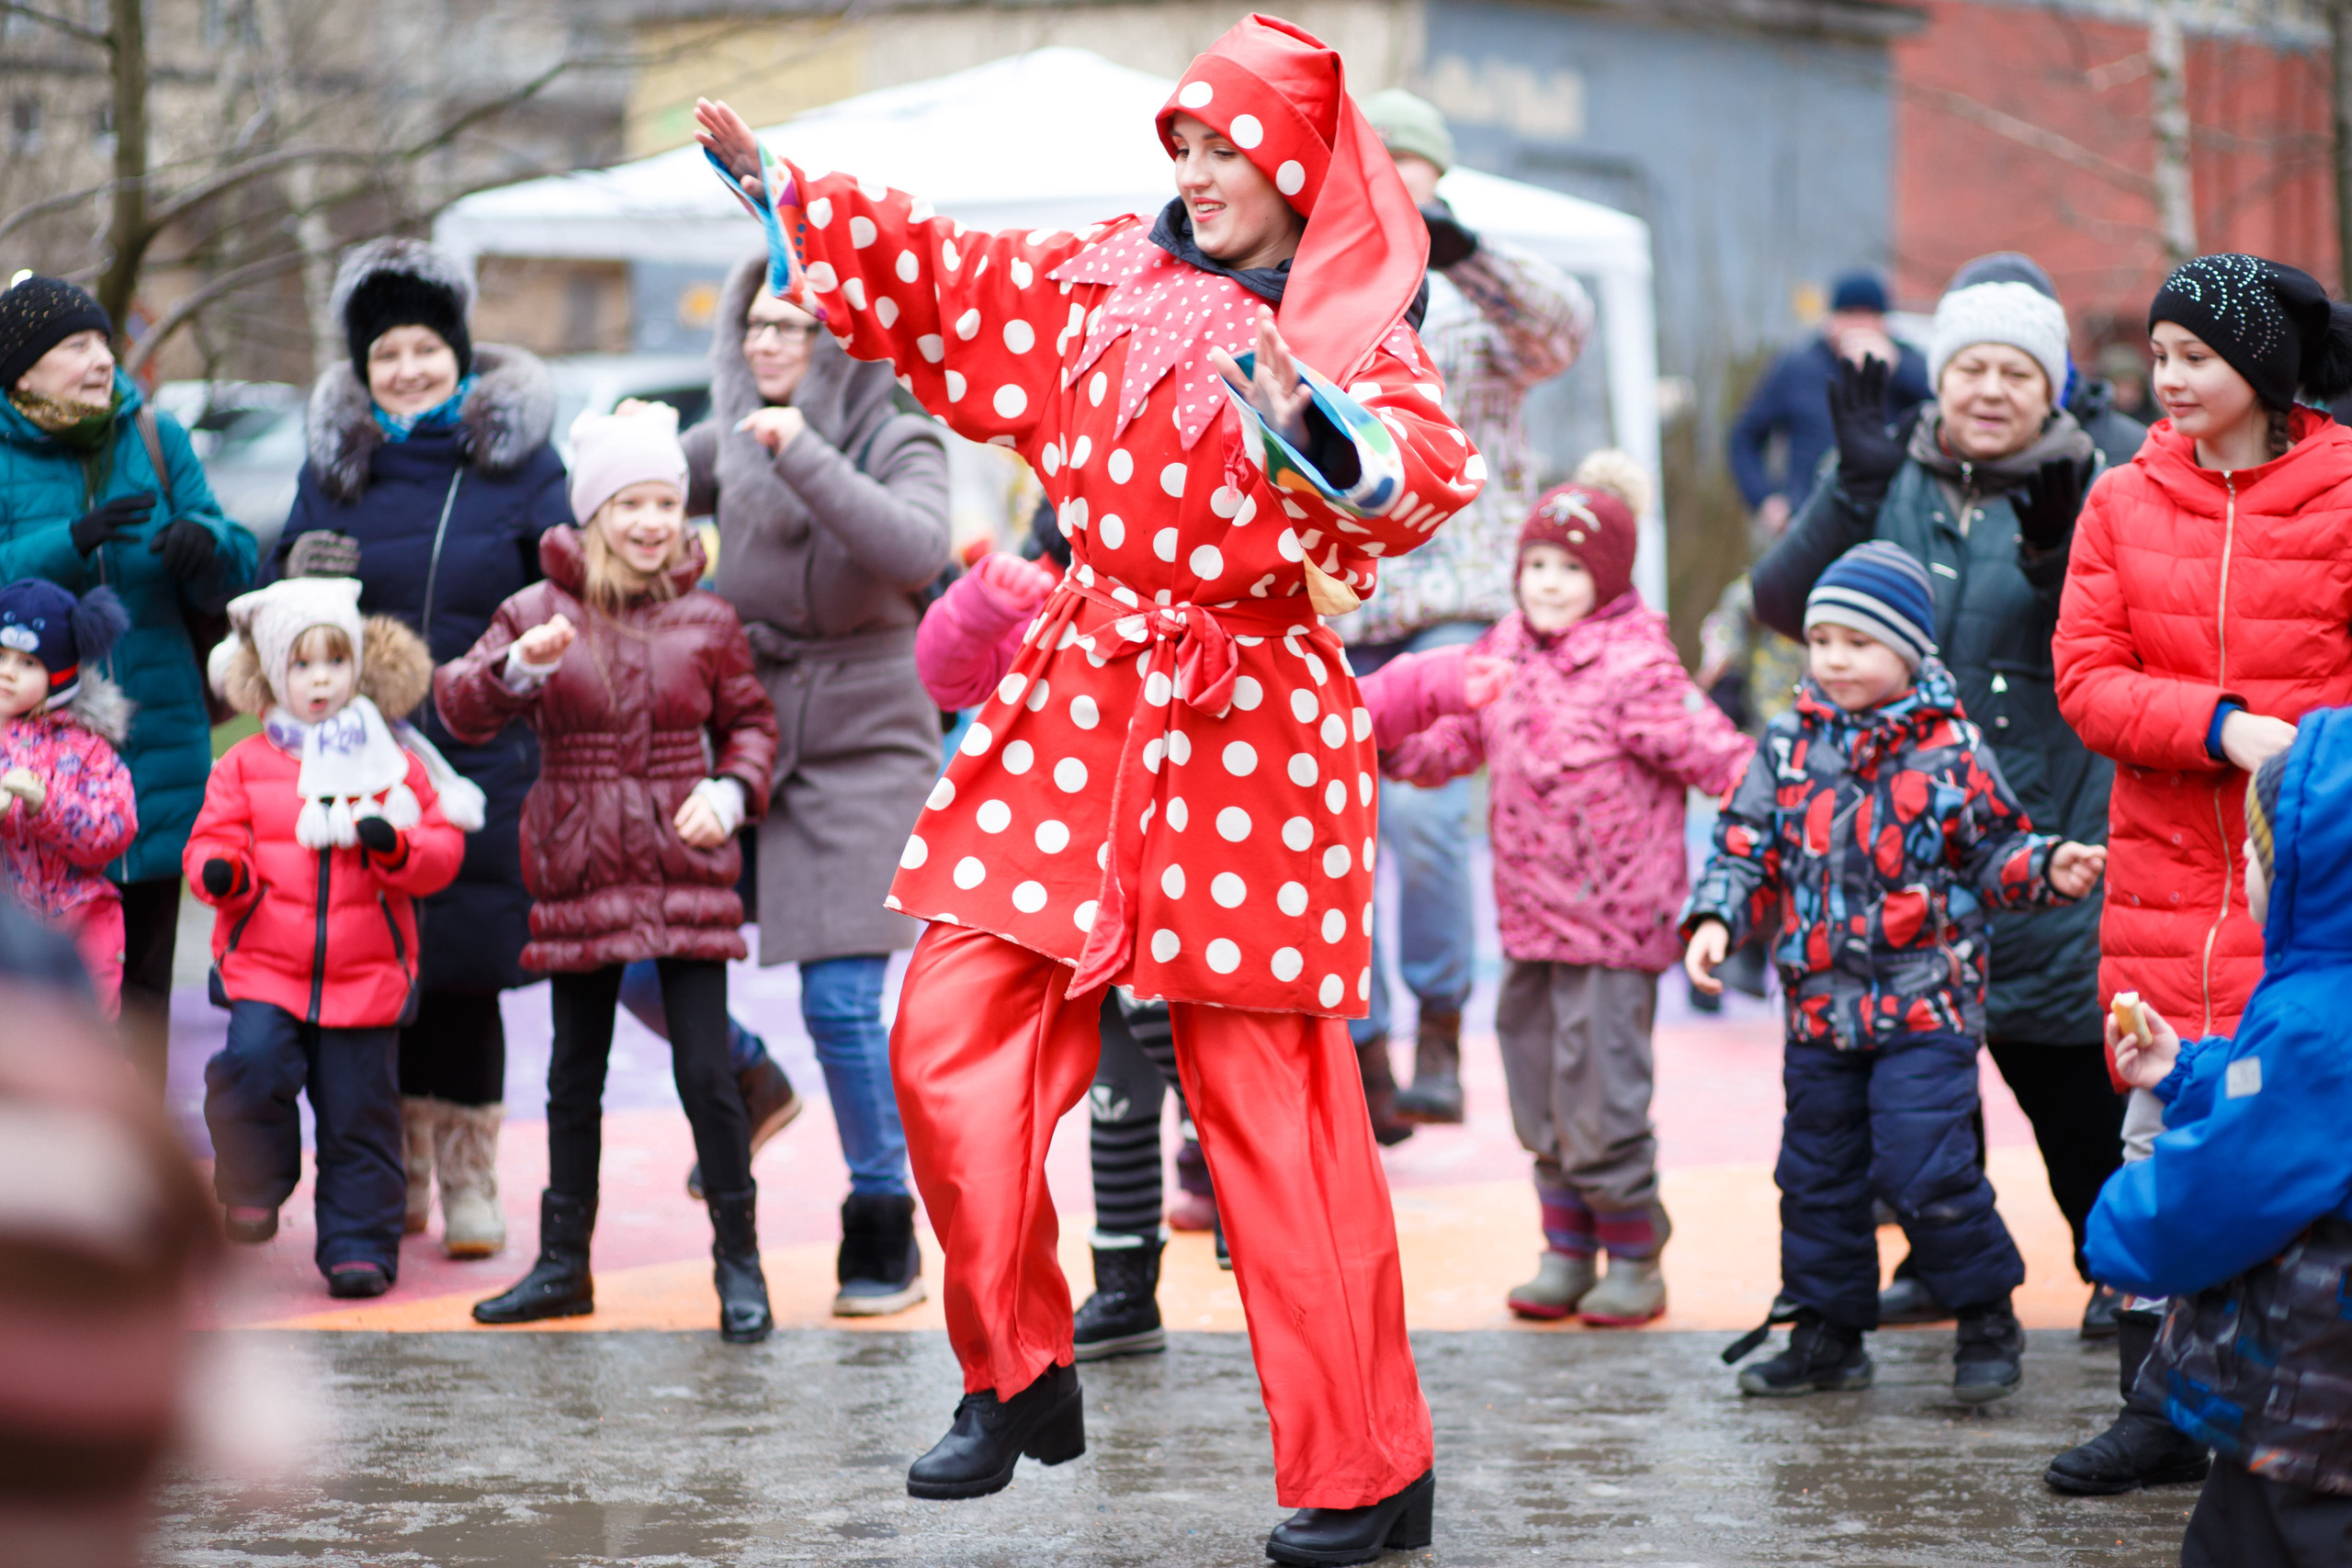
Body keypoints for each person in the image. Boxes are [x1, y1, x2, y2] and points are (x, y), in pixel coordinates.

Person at [695, 12, 1479, 1554]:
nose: (1195, 174)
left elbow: (1414, 470)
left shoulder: (1359, 335)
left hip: (1253, 730)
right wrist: (789, 191)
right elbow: (947, 276)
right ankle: (1018, 1369)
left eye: (1226, 150)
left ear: (1298, 168)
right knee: (942, 1028)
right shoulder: (1107, 269)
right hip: (1086, 705)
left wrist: (1335, 447)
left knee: (1277, 1123)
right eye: (1182, 146)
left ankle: (1368, 1469)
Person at [1749, 264, 2124, 1342]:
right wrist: (1848, 490)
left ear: (2051, 385)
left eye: (2017, 370)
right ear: (1939, 377)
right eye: (1970, 367)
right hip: (1898, 853)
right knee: (1920, 1083)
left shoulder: (2106, 476)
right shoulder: (1887, 468)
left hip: (2045, 824)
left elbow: (2129, 639)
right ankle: (1938, 1263)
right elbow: (1785, 607)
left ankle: (2117, 1267)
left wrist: (2061, 563)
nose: (1991, 389)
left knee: (2062, 1072)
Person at [2050, 253, 2352, 1495]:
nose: (2164, 379)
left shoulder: (2345, 492)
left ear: (2265, 370)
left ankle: (2301, 1398)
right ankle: (2156, 1403)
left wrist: (2311, 761)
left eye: (2194, 357)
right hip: (2170, 863)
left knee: (2298, 1121)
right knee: (2160, 1120)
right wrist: (2223, 727)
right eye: (2159, 355)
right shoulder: (2122, 500)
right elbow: (2087, 676)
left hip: (2318, 867)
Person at [1687, 542, 2107, 1402]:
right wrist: (1717, 915)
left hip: (1926, 1009)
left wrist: (2044, 864)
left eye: (1859, 642)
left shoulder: (1952, 751)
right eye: (1823, 641)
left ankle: (1986, 1308)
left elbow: (1994, 850)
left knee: (1924, 1167)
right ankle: (1828, 1331)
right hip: (1819, 1011)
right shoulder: (1788, 744)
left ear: (1910, 651)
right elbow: (1743, 840)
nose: (1835, 660)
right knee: (1815, 1174)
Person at [1375, 455, 1752, 1326]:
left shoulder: (1637, 668)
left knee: (1603, 1090)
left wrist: (1762, 822)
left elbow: (1723, 758)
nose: (1548, 583)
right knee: (1537, 1083)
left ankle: (1634, 1251)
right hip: (1529, 919)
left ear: (1609, 577)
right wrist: (1390, 743)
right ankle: (1565, 1246)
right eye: (1537, 564)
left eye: (1571, 568)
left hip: (1618, 926)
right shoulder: (1501, 649)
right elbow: (1451, 746)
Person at [652, 249, 952, 1315]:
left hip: (870, 744)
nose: (769, 342)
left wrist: (806, 452)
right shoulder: (729, 441)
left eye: (794, 325)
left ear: (840, 342)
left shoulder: (892, 433)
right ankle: (744, 1076)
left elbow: (914, 549)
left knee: (839, 999)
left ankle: (883, 1224)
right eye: (756, 325)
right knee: (638, 949)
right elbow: (627, 486)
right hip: (748, 737)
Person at [442, 404, 781, 1343]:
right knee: (571, 1074)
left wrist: (733, 786)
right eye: (630, 502)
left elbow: (752, 722)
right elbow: (460, 706)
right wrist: (512, 669)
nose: (651, 522)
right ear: (593, 513)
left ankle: (739, 1267)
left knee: (709, 1073)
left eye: (666, 502)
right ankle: (563, 1266)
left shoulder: (708, 617)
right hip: (578, 857)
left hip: (684, 859)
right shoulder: (537, 611)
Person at [269, 238, 570, 1260]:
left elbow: (563, 576)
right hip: (361, 755)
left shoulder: (518, 462)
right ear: (364, 367)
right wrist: (293, 565)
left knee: (466, 970)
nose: (406, 370)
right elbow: (284, 596)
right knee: (374, 965)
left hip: (486, 750)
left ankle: (473, 1181)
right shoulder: (335, 470)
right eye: (386, 353)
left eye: (425, 350)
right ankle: (388, 1173)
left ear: (459, 354)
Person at [1340, 88, 1593, 1136]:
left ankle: (1439, 1022)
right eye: (1380, 170)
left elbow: (1561, 327)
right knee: (1333, 833)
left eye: (1416, 173)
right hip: (1344, 606)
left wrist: (1462, 251)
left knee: (1424, 819)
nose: (1398, 188)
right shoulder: (1326, 292)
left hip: (1453, 599)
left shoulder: (1480, 311)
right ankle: (1360, 1047)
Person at [913, 544, 1229, 1354]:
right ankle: (1125, 1285)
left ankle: (1235, 1180)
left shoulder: (1188, 595)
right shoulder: (1049, 600)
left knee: (1178, 1037)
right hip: (1060, 883)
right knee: (1114, 1093)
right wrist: (986, 597)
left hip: (1168, 873)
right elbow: (948, 674)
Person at [2088, 723, 2352, 1562]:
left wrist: (2122, 1223)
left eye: (2257, 850)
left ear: (2316, 873)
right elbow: (2294, 1115)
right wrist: (2187, 1070)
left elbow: (2228, 1182)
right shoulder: (2321, 1003)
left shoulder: (2318, 1023)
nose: (2243, 867)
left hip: (2309, 1402)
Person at [0, 274, 257, 1089]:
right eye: (74, 345)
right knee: (34, 984)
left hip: (156, 738)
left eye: (103, 342)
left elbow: (238, 560)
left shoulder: (155, 433)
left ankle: (136, 1159)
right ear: (22, 371)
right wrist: (66, 540)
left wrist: (206, 545)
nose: (98, 359)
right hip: (31, 761)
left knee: (143, 972)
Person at [191, 576, 467, 1299]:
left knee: (359, 1113)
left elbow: (439, 851)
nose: (320, 679)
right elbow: (211, 842)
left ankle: (357, 1243)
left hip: (365, 972)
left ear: (359, 669)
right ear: (274, 674)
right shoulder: (245, 764)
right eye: (303, 664)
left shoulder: (390, 764)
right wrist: (226, 874)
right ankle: (252, 1181)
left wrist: (393, 845)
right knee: (250, 1067)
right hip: (266, 966)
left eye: (335, 662)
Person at [0, 581, 136, 1015]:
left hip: (80, 922)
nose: (8, 672)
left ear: (58, 675)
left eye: (28, 662)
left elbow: (114, 828)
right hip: (9, 935)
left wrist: (47, 805)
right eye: (0, 657)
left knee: (87, 1057)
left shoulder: (85, 748)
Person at [1728, 269, 1932, 532]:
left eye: (1869, 316)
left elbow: (1942, 409)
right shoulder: (1797, 367)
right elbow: (1744, 437)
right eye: (1849, 315)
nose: (1860, 325)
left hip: (1893, 522)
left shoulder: (1906, 362)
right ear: (1830, 320)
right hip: (1810, 522)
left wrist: (1896, 367)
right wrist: (1764, 500)